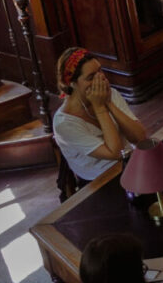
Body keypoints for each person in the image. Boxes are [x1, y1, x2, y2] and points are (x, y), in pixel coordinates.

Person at [52, 47, 149, 183]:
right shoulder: (64, 123)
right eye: (91, 77)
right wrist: (100, 108)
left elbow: (140, 137)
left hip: (130, 164)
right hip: (100, 180)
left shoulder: (110, 94)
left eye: (100, 71)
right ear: (73, 84)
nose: (100, 79)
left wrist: (109, 103)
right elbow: (115, 153)